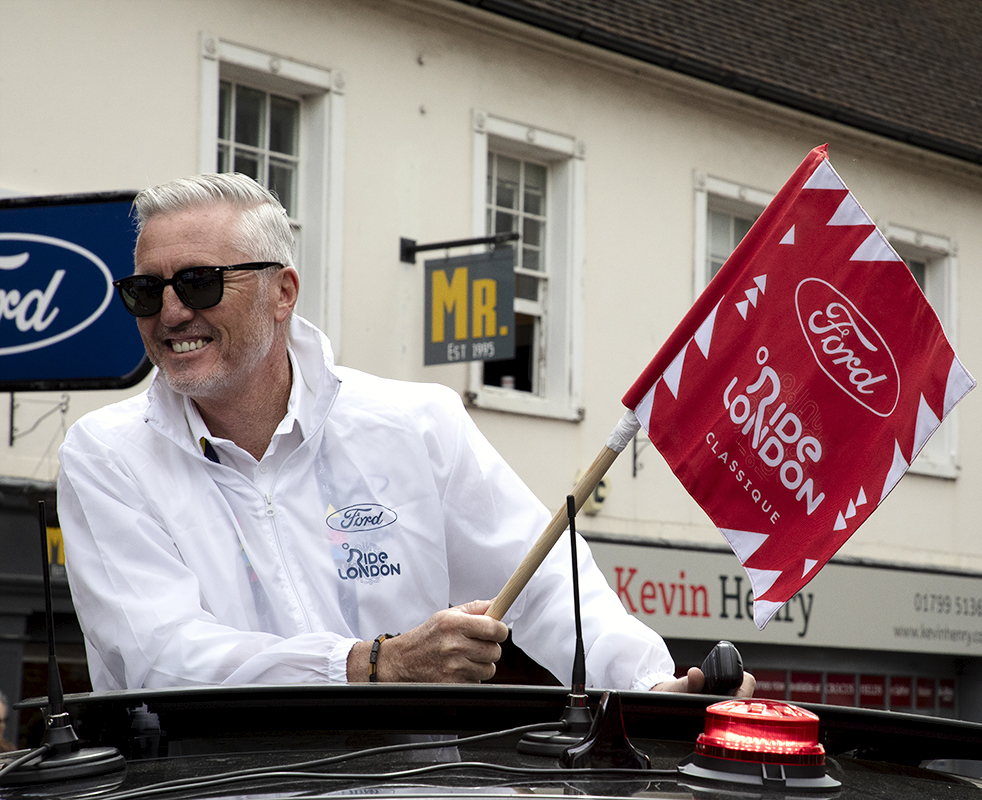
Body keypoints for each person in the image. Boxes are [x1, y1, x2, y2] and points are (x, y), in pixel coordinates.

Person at [57, 173, 753, 697]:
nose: (171, 312)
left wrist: (651, 686)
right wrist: (372, 664)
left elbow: (543, 586)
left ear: (283, 292)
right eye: (146, 292)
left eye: (200, 283)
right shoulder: (106, 455)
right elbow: (163, 656)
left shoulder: (417, 423)